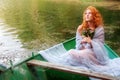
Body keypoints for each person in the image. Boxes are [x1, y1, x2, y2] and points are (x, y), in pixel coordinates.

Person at [40, 6, 120, 77]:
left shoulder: (99, 29)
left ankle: (56, 61)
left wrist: (90, 42)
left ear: (94, 16)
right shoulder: (81, 28)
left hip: (94, 54)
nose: (87, 15)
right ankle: (58, 62)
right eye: (85, 13)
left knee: (71, 52)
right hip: (83, 51)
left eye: (90, 13)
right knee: (74, 52)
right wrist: (82, 41)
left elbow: (100, 46)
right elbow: (77, 46)